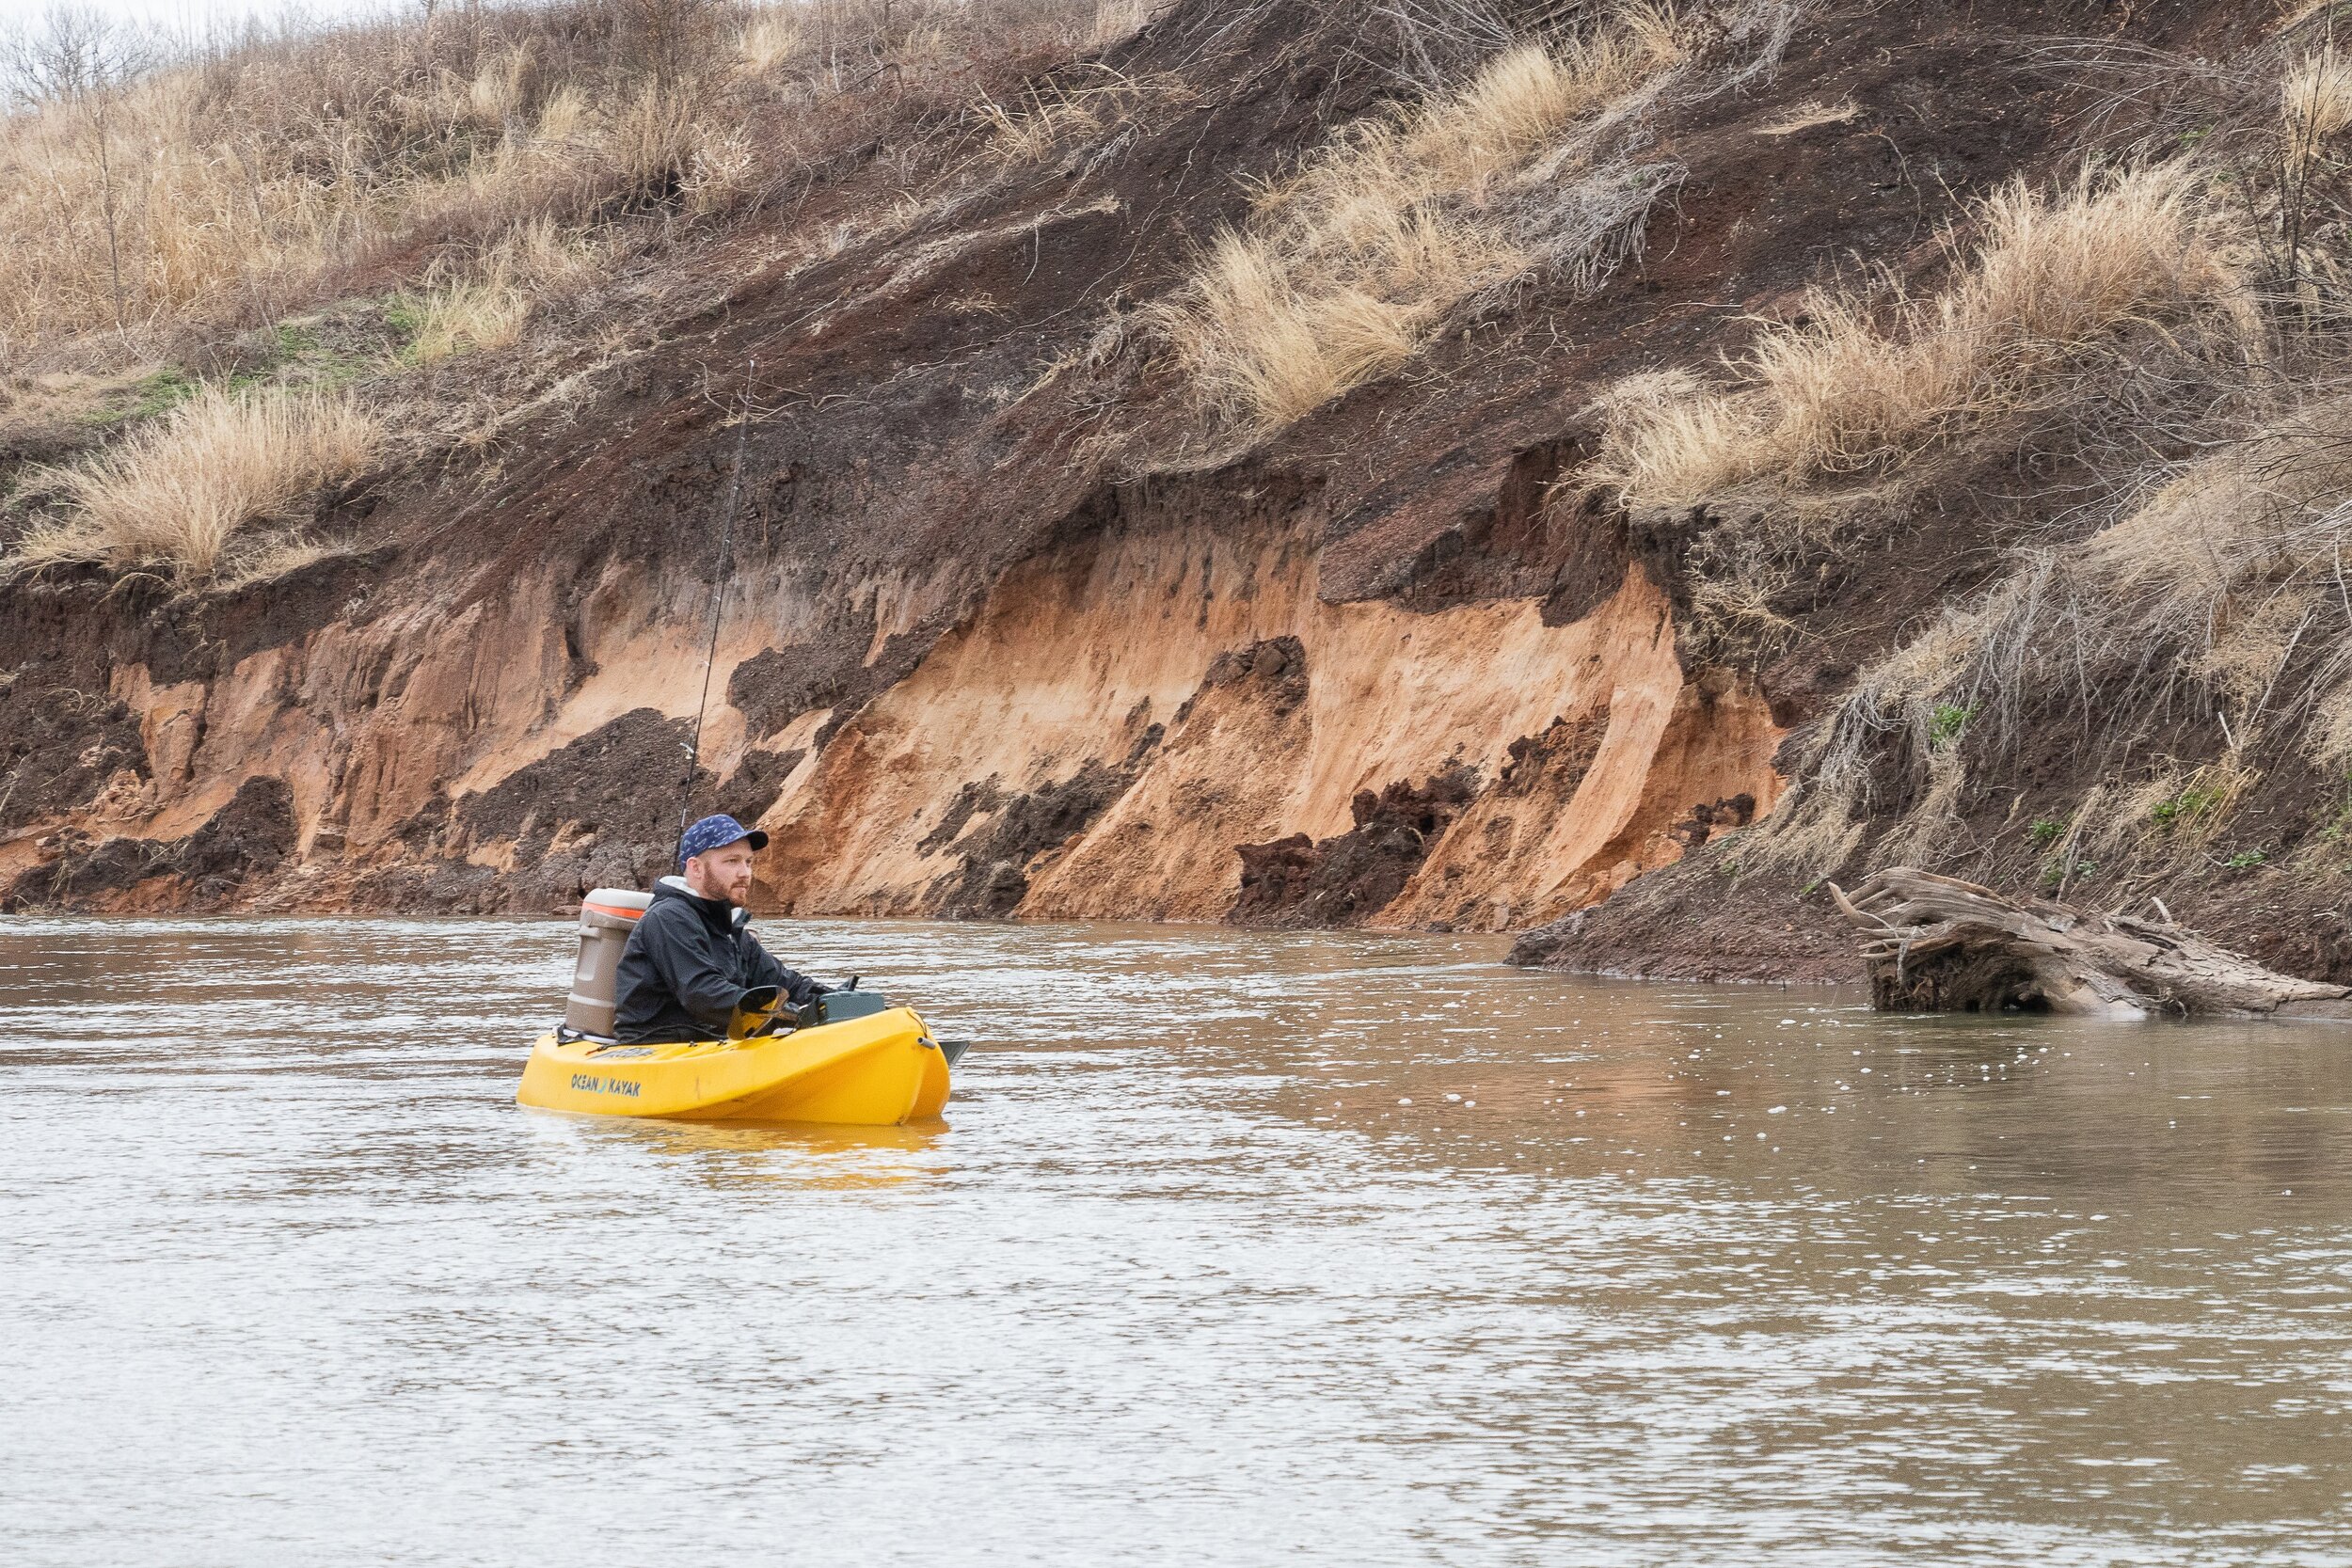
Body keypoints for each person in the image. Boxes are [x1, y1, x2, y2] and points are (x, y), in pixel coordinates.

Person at [613, 815, 823, 1044]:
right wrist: (792, 1015)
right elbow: (703, 994)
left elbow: (786, 983)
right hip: (657, 1046)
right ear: (696, 868)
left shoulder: (730, 928)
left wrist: (834, 1001)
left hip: (709, 1042)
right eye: (732, 861)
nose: (745, 873)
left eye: (748, 862)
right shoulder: (668, 918)